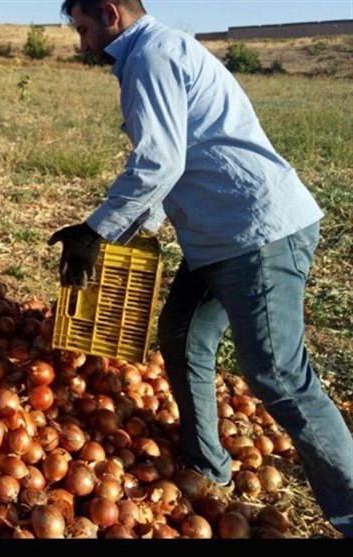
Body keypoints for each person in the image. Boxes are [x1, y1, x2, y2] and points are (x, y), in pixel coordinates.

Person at [48, 0, 353, 537]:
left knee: (278, 375)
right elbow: (180, 156)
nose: (83, 44)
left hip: (254, 232)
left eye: (85, 28)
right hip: (218, 233)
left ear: (111, 13)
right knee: (184, 334)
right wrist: (129, 227)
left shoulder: (152, 56)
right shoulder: (159, 50)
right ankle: (207, 463)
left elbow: (160, 161)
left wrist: (94, 231)